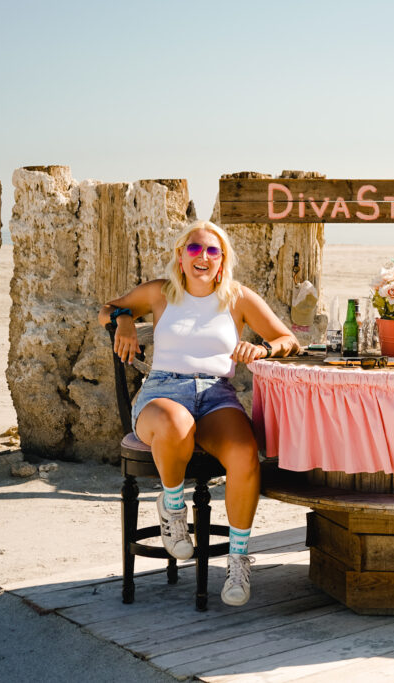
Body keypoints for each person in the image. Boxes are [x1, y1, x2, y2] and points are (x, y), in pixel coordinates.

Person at [98, 220, 300, 607]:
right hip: (163, 393)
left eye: (212, 251)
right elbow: (108, 308)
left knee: (244, 453)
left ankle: (238, 560)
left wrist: (262, 350)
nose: (203, 257)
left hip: (216, 394)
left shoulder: (237, 297)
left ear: (222, 260)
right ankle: (173, 507)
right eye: (194, 249)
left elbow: (286, 339)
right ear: (181, 256)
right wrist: (124, 319)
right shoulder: (161, 292)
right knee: (177, 425)